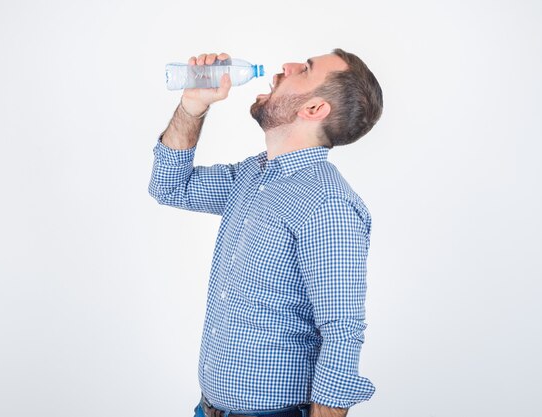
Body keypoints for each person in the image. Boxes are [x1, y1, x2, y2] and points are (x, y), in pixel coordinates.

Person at [149, 48, 383, 417]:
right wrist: (193, 107)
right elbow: (170, 186)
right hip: (208, 409)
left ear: (313, 110)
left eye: (305, 69)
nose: (287, 67)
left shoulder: (328, 204)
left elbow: (342, 330)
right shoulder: (252, 176)